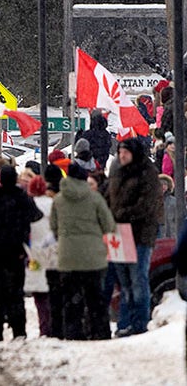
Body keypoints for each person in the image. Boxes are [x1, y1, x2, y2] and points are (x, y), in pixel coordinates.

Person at [105, 137, 163, 337]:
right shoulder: (118, 173)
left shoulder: (147, 173)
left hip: (139, 235)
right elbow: (109, 198)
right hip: (119, 234)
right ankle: (125, 323)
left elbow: (147, 206)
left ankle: (139, 323)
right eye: (120, 152)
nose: (122, 156)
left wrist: (121, 214)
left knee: (138, 279)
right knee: (125, 283)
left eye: (126, 152)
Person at [51, 163, 115, 341]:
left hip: (67, 257)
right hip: (93, 257)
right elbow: (109, 225)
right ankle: (99, 332)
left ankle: (73, 333)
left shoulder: (58, 200)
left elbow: (53, 227)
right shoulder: (95, 199)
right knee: (95, 299)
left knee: (71, 299)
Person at [0, 165, 43, 341]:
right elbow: (36, 215)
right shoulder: (22, 198)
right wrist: (20, 224)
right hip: (17, 251)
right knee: (16, 292)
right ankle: (19, 331)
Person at [24, 175, 58, 337]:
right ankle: (54, 325)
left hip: (34, 254)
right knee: (53, 288)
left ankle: (44, 326)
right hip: (52, 251)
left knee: (39, 292)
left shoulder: (28, 207)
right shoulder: (53, 205)